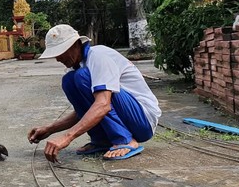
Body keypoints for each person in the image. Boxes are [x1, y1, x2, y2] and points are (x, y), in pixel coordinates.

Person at [28, 24, 161, 162]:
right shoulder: (79, 66)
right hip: (125, 114)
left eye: (61, 52)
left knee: (81, 77)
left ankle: (125, 140)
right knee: (69, 80)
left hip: (143, 120)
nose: (58, 58)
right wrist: (50, 129)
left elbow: (103, 105)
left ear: (76, 45)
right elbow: (85, 112)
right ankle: (102, 140)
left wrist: (67, 137)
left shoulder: (99, 56)